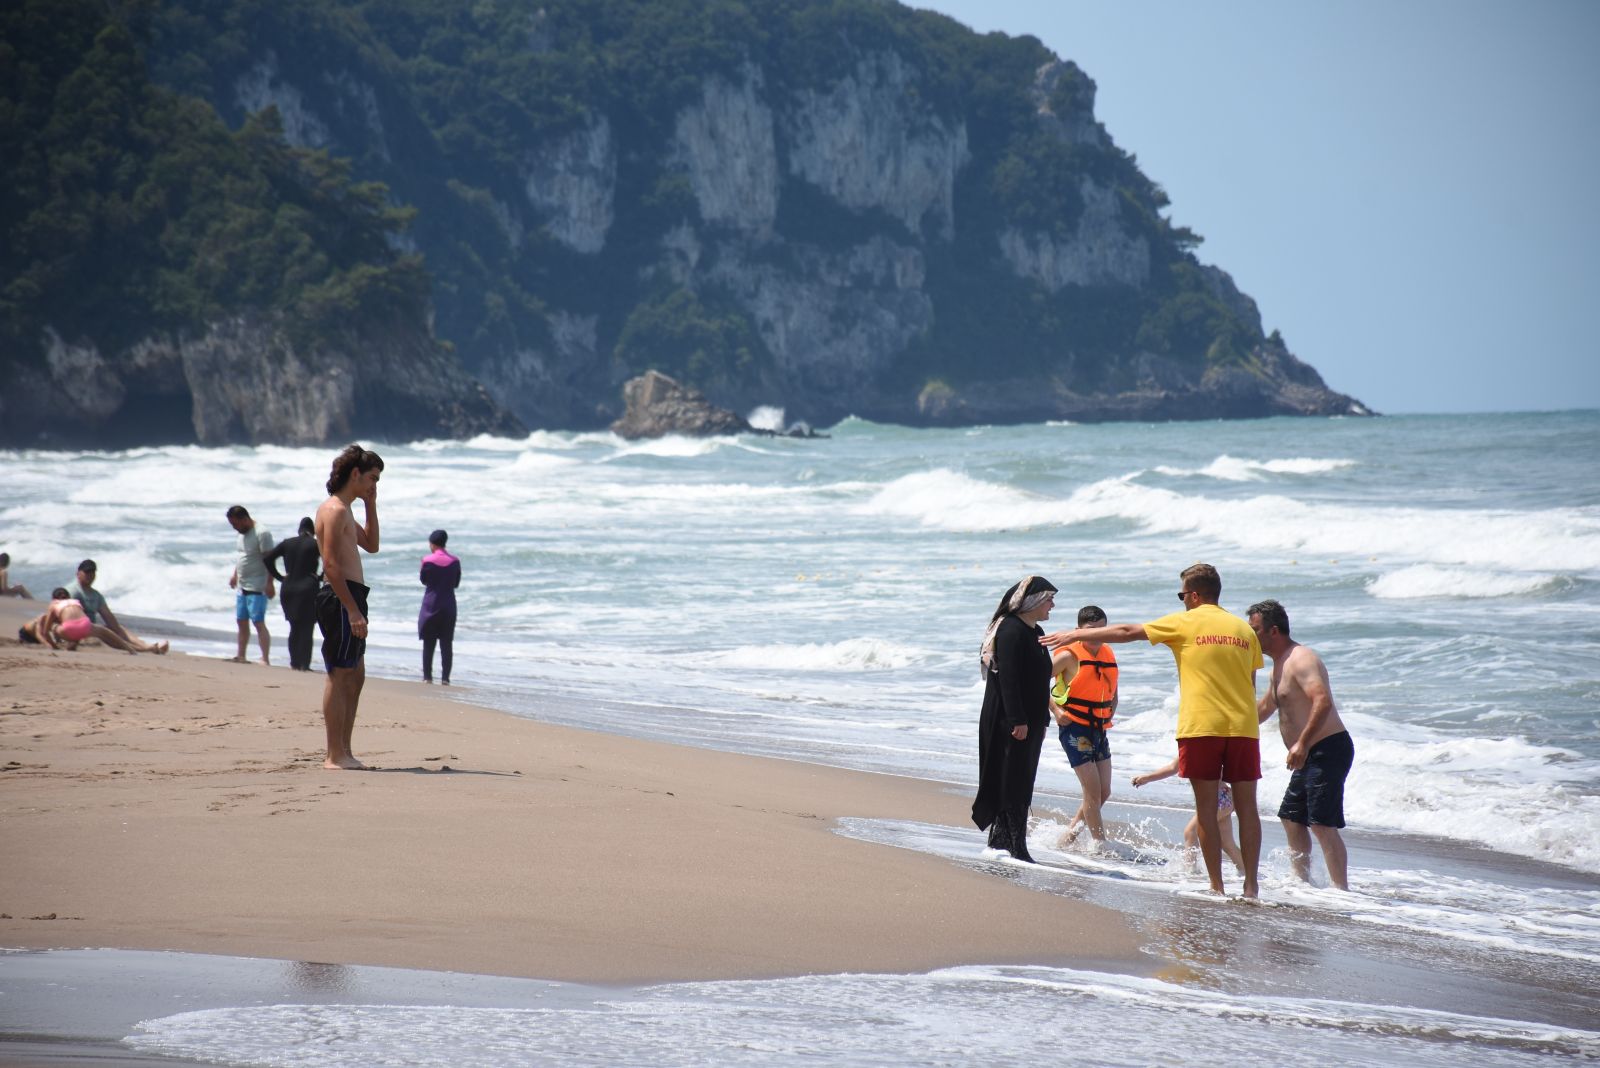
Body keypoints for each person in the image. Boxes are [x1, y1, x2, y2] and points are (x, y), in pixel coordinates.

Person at [1044, 563, 1263, 897]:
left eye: (1181, 595)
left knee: (1206, 810)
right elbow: (1250, 685)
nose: (1182, 602)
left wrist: (1075, 634)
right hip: (1245, 729)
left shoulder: (1186, 621)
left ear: (1192, 595)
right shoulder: (1245, 631)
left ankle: (1216, 888)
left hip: (1202, 726)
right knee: (1248, 809)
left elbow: (1126, 632)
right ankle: (1251, 887)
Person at [1250, 599, 1355, 890]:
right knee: (1291, 818)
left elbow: (1322, 702)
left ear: (1273, 631)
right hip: (1309, 753)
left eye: (1254, 630)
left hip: (1326, 747)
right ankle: (1302, 883)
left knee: (1322, 823)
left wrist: (1301, 744)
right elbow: (1266, 707)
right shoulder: (1277, 667)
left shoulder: (1301, 658)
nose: (1251, 636)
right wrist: (1230, 730)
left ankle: (1341, 890)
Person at [972, 574, 1059, 864]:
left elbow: (1038, 681)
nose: (1052, 605)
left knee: (1023, 778)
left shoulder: (1035, 632)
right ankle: (1012, 844)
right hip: (1008, 719)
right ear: (1032, 601)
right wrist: (1017, 720)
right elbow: (1008, 680)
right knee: (1011, 778)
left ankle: (1005, 841)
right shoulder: (1010, 630)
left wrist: (1042, 721)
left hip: (1029, 719)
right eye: (1049, 599)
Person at [315, 444, 383, 770]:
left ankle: (345, 749)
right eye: (372, 478)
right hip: (340, 597)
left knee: (356, 674)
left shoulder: (347, 509)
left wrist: (371, 504)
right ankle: (333, 754)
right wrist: (352, 609)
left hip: (353, 595)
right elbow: (329, 564)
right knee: (340, 673)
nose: (374, 485)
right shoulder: (334, 510)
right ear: (355, 473)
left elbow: (371, 545)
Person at [1051, 605, 1119, 844]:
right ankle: (1101, 846)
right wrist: (1057, 711)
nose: (1096, 635)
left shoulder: (1108, 652)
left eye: (1101, 630)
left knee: (1103, 792)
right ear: (1078, 630)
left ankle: (1068, 838)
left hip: (1099, 729)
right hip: (1075, 728)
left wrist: (1112, 708)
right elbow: (1036, 682)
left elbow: (1112, 689)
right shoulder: (1069, 656)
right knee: (1091, 793)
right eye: (1090, 630)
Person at [1131, 755, 1245, 872]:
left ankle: (1190, 871)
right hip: (1225, 797)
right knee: (1226, 843)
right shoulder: (1196, 745)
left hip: (1218, 798)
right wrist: (1147, 778)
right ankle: (1246, 872)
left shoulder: (1202, 743)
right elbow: (1172, 767)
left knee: (1191, 831)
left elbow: (1225, 769)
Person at [66, 560, 168, 654]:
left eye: (92, 572)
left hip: (93, 628)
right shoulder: (73, 591)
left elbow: (109, 617)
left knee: (116, 628)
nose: (90, 575)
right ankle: (145, 649)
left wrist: (117, 630)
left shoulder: (96, 595)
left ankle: (147, 645)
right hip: (77, 628)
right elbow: (63, 612)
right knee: (106, 634)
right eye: (87, 572)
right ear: (78, 573)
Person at [265, 517, 321, 672]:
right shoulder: (315, 544)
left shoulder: (287, 543)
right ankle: (305, 664)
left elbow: (268, 559)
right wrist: (320, 577)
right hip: (308, 587)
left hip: (288, 588)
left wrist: (280, 577)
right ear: (313, 531)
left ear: (299, 530)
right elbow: (331, 562)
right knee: (307, 627)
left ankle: (294, 663)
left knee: (294, 626)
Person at [226, 505, 275, 665]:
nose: (235, 528)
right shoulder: (242, 534)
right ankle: (241, 655)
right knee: (241, 620)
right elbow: (242, 556)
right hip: (242, 584)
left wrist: (270, 584)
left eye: (236, 524)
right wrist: (235, 576)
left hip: (258, 586)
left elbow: (269, 560)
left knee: (258, 622)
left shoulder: (262, 533)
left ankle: (265, 658)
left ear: (245, 519)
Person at [418, 529, 460, 685]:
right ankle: (445, 679)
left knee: (429, 643)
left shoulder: (427, 560)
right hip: (449, 605)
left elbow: (423, 580)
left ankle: (427, 677)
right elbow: (456, 583)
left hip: (430, 604)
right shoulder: (455, 561)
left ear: (432, 544)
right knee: (446, 644)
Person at [18, 588, 103, 650]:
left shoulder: (65, 611)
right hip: (27, 633)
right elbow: (39, 632)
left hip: (41, 633)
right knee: (42, 628)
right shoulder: (46, 616)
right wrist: (49, 645)